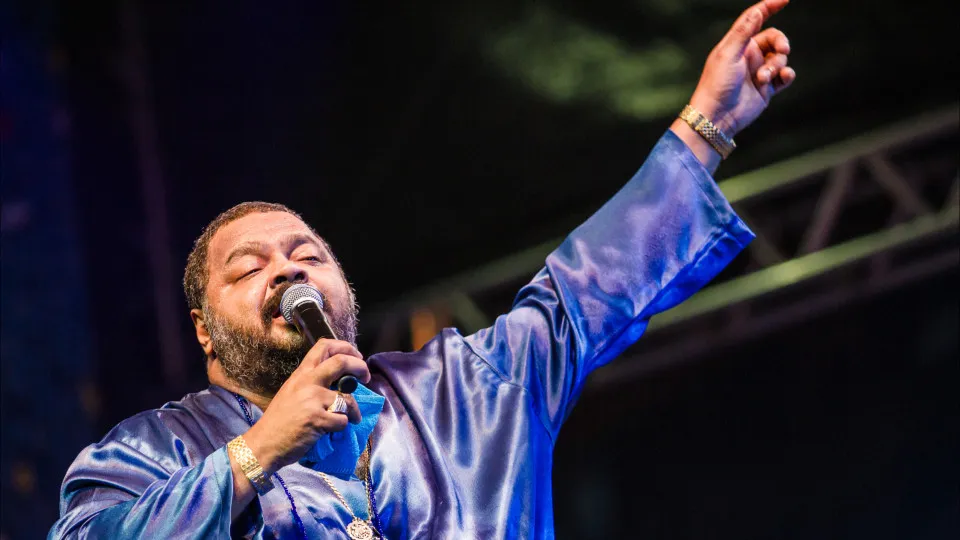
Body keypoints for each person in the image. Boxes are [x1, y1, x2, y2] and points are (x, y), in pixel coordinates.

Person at [49, 1, 795, 538]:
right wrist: (258, 452)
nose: (285, 271)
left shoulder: (468, 393)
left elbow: (590, 284)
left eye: (307, 256)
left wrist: (709, 125)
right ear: (204, 330)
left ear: (344, 292)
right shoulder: (151, 453)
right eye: (249, 269)